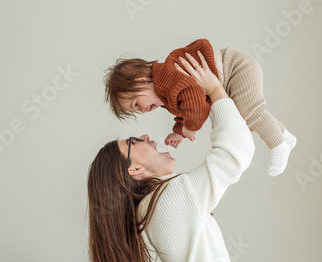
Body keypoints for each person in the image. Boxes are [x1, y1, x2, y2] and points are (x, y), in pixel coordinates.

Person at [89, 52, 254, 262]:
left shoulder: (157, 203)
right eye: (133, 142)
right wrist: (214, 90)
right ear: (134, 170)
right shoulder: (168, 199)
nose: (145, 137)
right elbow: (236, 151)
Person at [105, 38, 297, 176]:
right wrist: (179, 132)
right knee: (245, 118)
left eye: (137, 104)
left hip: (236, 68)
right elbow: (184, 109)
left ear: (140, 81)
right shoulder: (164, 93)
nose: (143, 110)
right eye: (137, 110)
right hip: (229, 79)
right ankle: (285, 137)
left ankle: (278, 146)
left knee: (251, 112)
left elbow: (196, 105)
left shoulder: (166, 79)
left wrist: (190, 128)